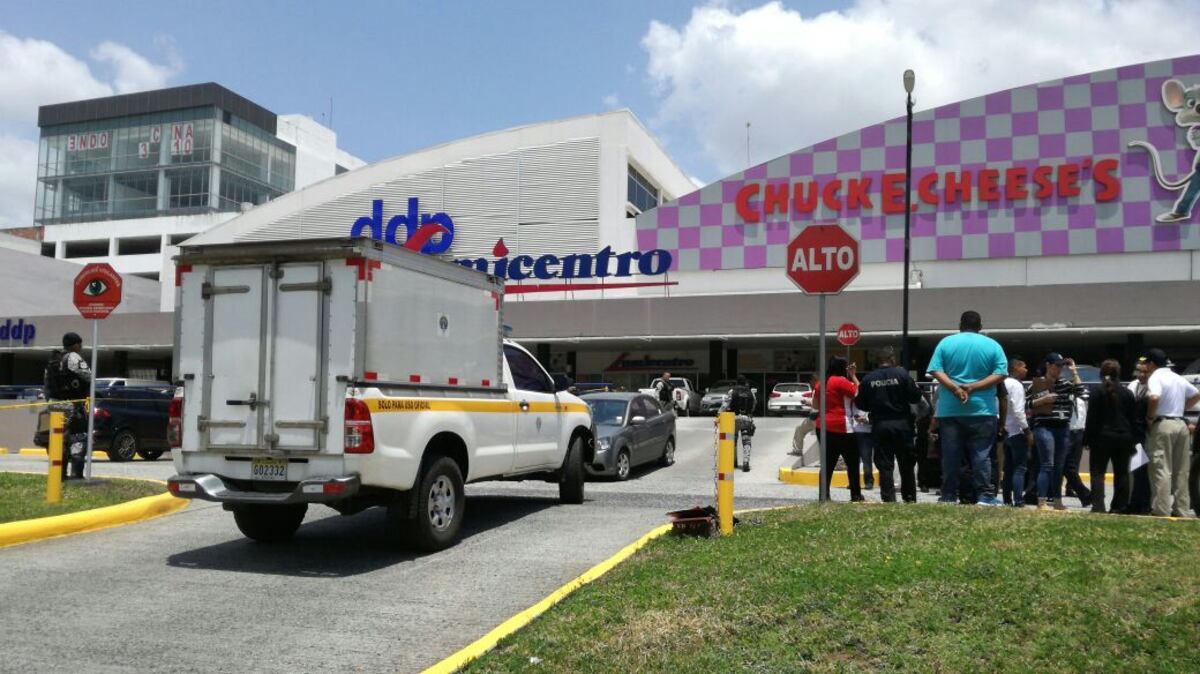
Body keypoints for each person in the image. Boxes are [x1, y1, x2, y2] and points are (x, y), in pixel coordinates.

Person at [926, 310, 1008, 506]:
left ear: (960, 325)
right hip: (982, 409)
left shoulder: (946, 343)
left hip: (950, 409)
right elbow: (1001, 373)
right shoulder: (992, 345)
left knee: (951, 455)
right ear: (980, 326)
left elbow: (936, 370)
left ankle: (948, 495)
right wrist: (973, 387)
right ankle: (985, 496)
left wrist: (955, 388)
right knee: (982, 454)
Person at [855, 347, 923, 503]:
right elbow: (915, 397)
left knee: (885, 465)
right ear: (892, 359)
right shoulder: (902, 374)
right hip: (903, 425)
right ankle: (909, 497)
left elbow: (861, 403)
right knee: (906, 463)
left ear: (877, 361)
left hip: (880, 425)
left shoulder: (868, 379)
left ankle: (888, 498)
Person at [1142, 349, 1200, 517]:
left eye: (1147, 363)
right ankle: (1181, 508)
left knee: (1161, 467)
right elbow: (1196, 394)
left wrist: (1150, 417)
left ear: (1152, 364)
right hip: (1180, 424)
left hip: (1163, 423)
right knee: (1182, 469)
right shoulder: (1177, 377)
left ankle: (1161, 508)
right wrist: (1182, 408)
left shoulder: (1156, 377)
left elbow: (1154, 397)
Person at [1028, 353, 1085, 511]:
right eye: (1056, 365)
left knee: (1059, 466)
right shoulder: (1038, 384)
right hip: (1044, 426)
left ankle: (1058, 500)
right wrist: (1043, 400)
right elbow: (1027, 404)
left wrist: (1074, 371)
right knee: (1047, 464)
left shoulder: (1066, 384)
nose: (1059, 369)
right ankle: (1042, 501)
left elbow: (1082, 392)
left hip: (1062, 427)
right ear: (1048, 365)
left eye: (1061, 366)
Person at [1084, 359, 1136, 514]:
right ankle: (1119, 506)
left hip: (1101, 437)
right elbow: (1132, 418)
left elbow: (1091, 418)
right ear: (1118, 374)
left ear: (1101, 374)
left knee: (1098, 472)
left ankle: (1098, 505)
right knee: (1121, 472)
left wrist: (1087, 438)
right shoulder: (1127, 392)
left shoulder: (1097, 392)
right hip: (1123, 437)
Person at [43, 331, 92, 480]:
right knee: (79, 437)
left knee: (59, 438)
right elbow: (88, 376)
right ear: (75, 344)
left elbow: (46, 385)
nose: (81, 347)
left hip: (54, 404)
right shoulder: (73, 357)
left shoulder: (53, 360)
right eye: (80, 344)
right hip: (72, 404)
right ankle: (76, 474)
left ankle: (59, 474)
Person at [815, 356, 863, 502]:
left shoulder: (820, 383)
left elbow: (816, 405)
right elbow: (858, 393)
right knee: (852, 462)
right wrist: (853, 376)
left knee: (827, 464)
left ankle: (824, 496)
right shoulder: (841, 381)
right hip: (842, 426)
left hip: (822, 426)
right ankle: (855, 495)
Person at [1002, 357, 1032, 507]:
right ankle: (1019, 500)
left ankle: (1006, 499)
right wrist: (1027, 431)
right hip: (1016, 431)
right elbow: (1019, 410)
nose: (1026, 370)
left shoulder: (1003, 383)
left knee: (1007, 469)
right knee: (1020, 468)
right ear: (1015, 369)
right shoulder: (1017, 386)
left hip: (1005, 430)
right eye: (1024, 367)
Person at [1127, 361, 1153, 515]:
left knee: (1146, 471)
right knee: (1137, 469)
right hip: (1135, 434)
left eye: (1145, 372)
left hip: (1147, 432)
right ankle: (1135, 502)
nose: (1142, 375)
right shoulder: (1132, 386)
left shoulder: (1154, 386)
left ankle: (1145, 504)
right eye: (1139, 371)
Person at [1063, 383, 1094, 508]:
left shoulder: (1081, 400)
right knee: (1067, 465)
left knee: (1075, 463)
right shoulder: (1066, 399)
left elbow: (1084, 417)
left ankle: (1070, 488)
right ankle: (1084, 493)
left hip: (1079, 432)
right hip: (1068, 432)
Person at [722, 375, 756, 472]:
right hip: (746, 419)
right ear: (745, 382)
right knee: (746, 441)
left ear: (737, 382)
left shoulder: (732, 391)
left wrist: (719, 414)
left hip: (734, 418)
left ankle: (734, 461)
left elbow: (725, 404)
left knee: (733, 441)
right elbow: (754, 405)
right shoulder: (750, 393)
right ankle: (746, 462)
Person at [851, 403, 873, 490]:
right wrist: (856, 418)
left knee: (866, 459)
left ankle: (868, 481)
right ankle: (854, 482)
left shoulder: (872, 399)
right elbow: (852, 413)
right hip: (855, 431)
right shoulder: (854, 401)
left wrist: (867, 420)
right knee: (853, 459)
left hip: (867, 432)